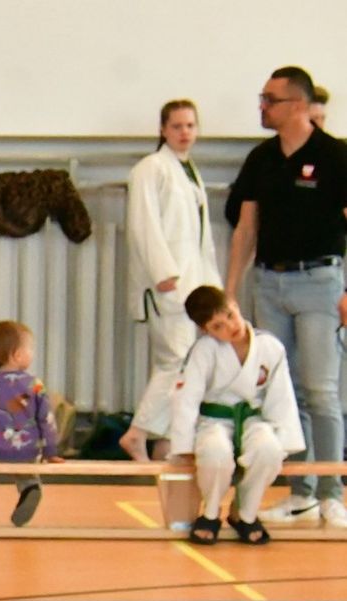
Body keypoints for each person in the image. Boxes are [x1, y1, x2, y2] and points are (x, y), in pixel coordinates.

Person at [225, 66, 347, 527]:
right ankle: (301, 492)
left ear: (298, 105)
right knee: (283, 390)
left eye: (270, 100)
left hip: (319, 281)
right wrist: (230, 291)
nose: (262, 107)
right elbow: (245, 228)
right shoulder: (261, 158)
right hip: (269, 282)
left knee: (321, 390)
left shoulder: (335, 155)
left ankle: (333, 490)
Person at [119, 100, 223, 462]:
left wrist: (214, 287)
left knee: (187, 364)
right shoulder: (151, 168)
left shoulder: (189, 171)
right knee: (174, 361)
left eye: (190, 126)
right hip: (168, 283)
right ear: (163, 130)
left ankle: (165, 440)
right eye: (177, 126)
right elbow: (143, 224)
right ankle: (138, 433)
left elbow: (201, 239)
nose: (184, 133)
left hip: (194, 282)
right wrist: (162, 272)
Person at [169, 286, 303, 545]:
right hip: (214, 421)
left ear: (235, 305)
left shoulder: (270, 346)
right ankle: (210, 513)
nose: (230, 327)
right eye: (218, 326)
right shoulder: (204, 350)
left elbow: (281, 397)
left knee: (269, 451)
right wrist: (183, 445)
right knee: (215, 453)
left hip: (254, 419)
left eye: (230, 315)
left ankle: (245, 513)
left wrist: (286, 438)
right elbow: (187, 399)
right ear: (206, 330)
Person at [0, 321, 63, 526]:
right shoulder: (34, 385)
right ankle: (30, 489)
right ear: (17, 355)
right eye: (30, 348)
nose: (33, 353)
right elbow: (46, 420)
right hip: (26, 451)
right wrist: (50, 451)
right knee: (28, 476)